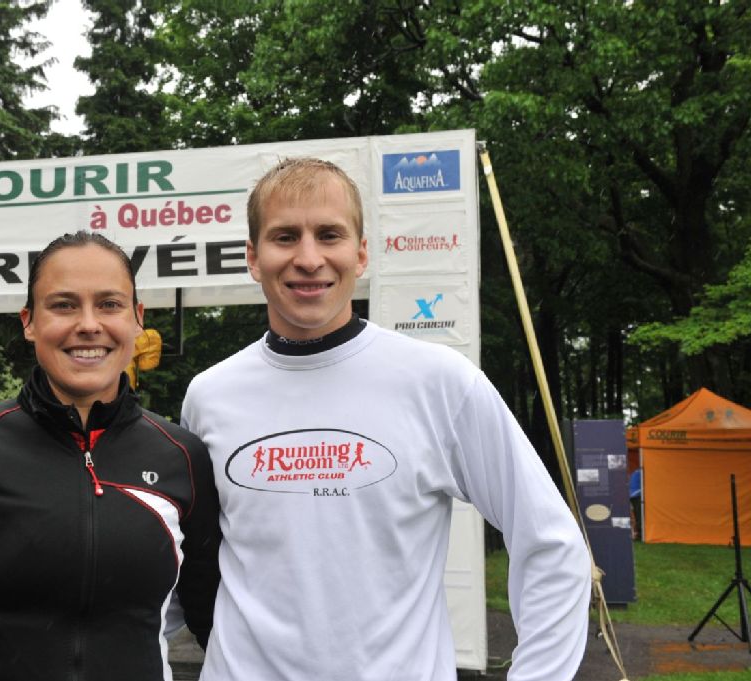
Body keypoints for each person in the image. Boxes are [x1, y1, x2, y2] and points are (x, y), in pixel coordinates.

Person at [181, 158, 590, 681]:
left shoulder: (439, 382)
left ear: (361, 253)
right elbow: (180, 561)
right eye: (285, 237)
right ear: (253, 258)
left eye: (329, 235)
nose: (309, 258)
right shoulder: (210, 396)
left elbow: (551, 544)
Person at [0, 231, 220, 681]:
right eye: (64, 305)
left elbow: (216, 622)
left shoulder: (182, 455)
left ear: (137, 319)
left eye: (109, 304)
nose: (88, 324)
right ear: (29, 322)